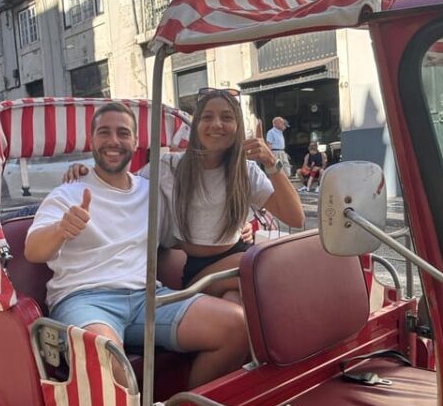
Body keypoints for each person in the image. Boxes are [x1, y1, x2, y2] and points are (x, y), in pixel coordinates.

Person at [24, 102, 249, 389]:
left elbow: (181, 234)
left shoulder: (149, 190)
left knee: (236, 326)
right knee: (106, 356)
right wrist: (61, 229)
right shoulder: (68, 193)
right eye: (104, 133)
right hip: (86, 300)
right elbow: (33, 250)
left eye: (123, 133)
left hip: (148, 298)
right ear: (92, 140)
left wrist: (238, 233)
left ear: (135, 141)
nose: (114, 141)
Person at [63, 89, 304, 304]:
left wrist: (271, 163)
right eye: (207, 117)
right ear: (196, 126)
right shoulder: (169, 166)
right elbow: (120, 187)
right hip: (201, 269)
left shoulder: (246, 171)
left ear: (237, 127)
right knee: (270, 269)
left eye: (227, 118)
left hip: (238, 257)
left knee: (238, 309)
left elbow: (295, 218)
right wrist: (87, 174)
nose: (216, 124)